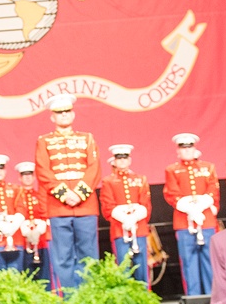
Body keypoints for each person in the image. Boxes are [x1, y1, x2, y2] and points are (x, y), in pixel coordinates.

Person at [34, 93, 101, 290]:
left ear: (72, 114)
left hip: (86, 206)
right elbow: (43, 171)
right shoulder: (44, 141)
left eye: (67, 111)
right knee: (63, 257)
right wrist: (64, 194)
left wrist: (78, 194)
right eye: (59, 112)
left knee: (88, 256)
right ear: (52, 117)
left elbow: (94, 168)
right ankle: (70, 301)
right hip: (58, 207)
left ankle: (89, 299)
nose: (64, 115)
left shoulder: (87, 138)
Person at [163, 133, 219, 295]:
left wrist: (201, 206)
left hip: (206, 220)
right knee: (189, 262)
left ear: (194, 149)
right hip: (184, 221)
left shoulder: (208, 168)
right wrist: (190, 209)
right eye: (183, 148)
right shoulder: (172, 170)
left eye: (189, 147)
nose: (187, 151)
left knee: (210, 260)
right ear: (178, 151)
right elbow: (172, 193)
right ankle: (193, 298)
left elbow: (213, 189)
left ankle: (212, 295)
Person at [99, 144, 152, 285]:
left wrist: (134, 217)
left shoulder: (140, 179)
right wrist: (124, 218)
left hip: (139, 228)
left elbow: (145, 203)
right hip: (119, 229)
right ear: (114, 161)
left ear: (129, 160)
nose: (122, 161)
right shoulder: (108, 181)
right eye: (119, 158)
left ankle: (144, 298)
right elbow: (108, 207)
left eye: (125, 158)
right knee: (123, 267)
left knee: (142, 267)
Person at [13, 161, 54, 287]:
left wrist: (41, 225)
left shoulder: (40, 195)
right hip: (23, 242)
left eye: (30, 174)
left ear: (34, 176)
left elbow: (46, 213)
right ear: (20, 177)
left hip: (41, 241)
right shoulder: (16, 196)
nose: (27, 177)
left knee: (45, 274)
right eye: (24, 175)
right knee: (26, 275)